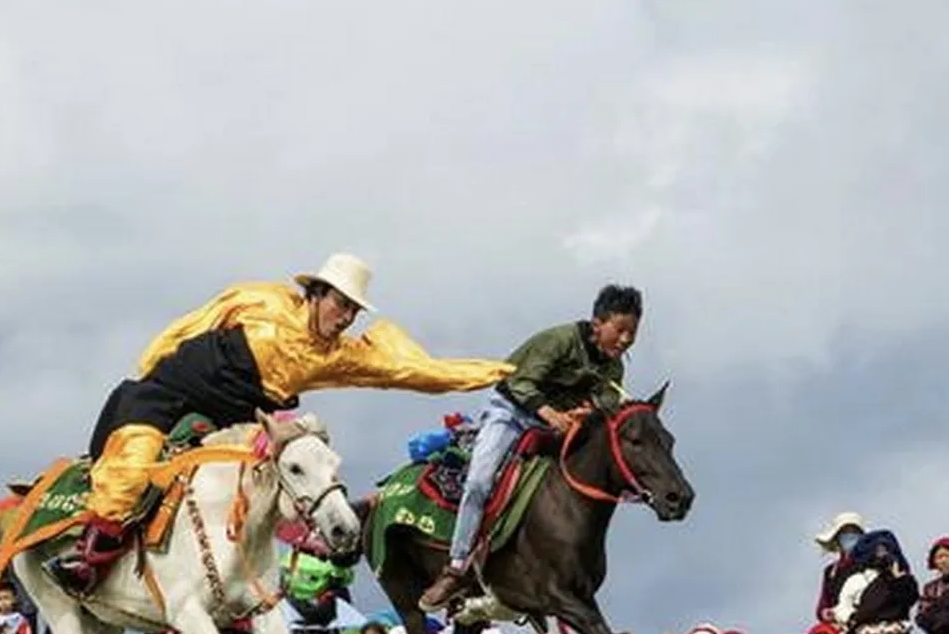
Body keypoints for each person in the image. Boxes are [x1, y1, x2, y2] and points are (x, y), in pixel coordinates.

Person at [45, 253, 513, 594]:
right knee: (130, 470)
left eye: (353, 310)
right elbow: (196, 322)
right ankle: (86, 563)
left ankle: (238, 576)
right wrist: (152, 363)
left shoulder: (340, 357)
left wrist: (501, 372)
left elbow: (414, 372)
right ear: (315, 294)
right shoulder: (260, 299)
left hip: (231, 419)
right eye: (340, 304)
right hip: (169, 393)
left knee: (284, 469)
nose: (345, 317)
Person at [421, 284, 642, 610]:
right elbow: (516, 381)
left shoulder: (614, 368)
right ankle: (455, 567)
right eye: (620, 330)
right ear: (598, 323)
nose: (625, 340)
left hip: (553, 427)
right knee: (479, 482)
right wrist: (549, 413)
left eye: (632, 333)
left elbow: (605, 405)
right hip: (510, 413)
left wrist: (586, 413)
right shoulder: (559, 340)